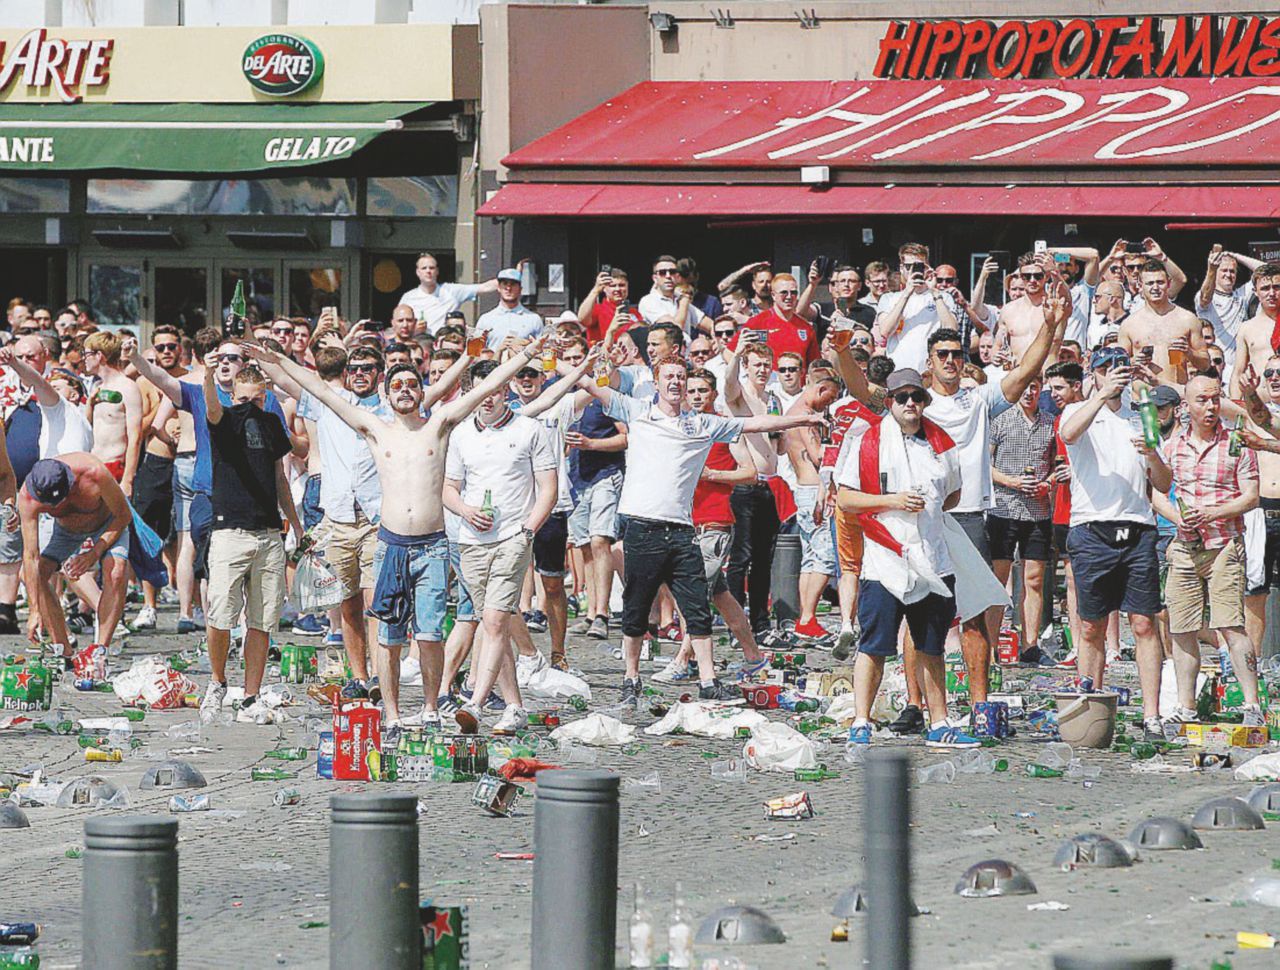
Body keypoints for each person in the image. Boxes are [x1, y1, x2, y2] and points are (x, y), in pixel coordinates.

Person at [244, 336, 548, 737]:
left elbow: (487, 387)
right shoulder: (374, 428)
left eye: (412, 385)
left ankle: (430, 708)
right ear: (386, 397)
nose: (405, 391)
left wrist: (526, 356)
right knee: (387, 635)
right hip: (391, 544)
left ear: (423, 393)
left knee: (429, 633)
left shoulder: (439, 425)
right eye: (397, 386)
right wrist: (279, 359)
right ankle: (391, 713)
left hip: (432, 545)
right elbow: (320, 390)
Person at [576, 354, 825, 707]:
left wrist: (804, 417)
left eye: (680, 376)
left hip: (682, 529)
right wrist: (560, 363)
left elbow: (754, 424)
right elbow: (589, 385)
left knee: (697, 608)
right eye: (670, 377)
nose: (676, 383)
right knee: (636, 608)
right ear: (657, 381)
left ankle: (708, 681)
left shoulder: (702, 424)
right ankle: (630, 679)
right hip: (642, 527)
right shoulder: (637, 411)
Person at [837, 368, 978, 749]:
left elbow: (952, 494)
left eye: (916, 397)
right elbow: (846, 499)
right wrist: (892, 502)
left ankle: (940, 722)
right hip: (884, 560)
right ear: (890, 402)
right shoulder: (869, 441)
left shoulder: (940, 443)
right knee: (874, 645)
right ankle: (862, 720)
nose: (910, 404)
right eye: (902, 398)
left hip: (931, 559)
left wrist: (924, 518)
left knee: (931, 646)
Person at [1059, 346, 1172, 740]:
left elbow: (1162, 482)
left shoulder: (1142, 415)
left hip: (1137, 527)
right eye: (1106, 369)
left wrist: (1152, 453)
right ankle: (1089, 708)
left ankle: (1153, 714)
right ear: (1094, 373)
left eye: (1120, 368)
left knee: (1143, 622)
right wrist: (1100, 394)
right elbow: (1068, 434)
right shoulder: (1079, 410)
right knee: (1091, 625)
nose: (1115, 375)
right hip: (1093, 528)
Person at [444, 359, 562, 733]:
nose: (488, 399)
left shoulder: (530, 430)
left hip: (514, 536)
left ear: (506, 389)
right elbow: (448, 489)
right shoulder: (462, 434)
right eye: (481, 392)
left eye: (495, 390)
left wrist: (528, 530)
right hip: (472, 541)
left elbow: (549, 489)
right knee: (494, 626)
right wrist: (466, 511)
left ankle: (476, 703)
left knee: (495, 621)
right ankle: (514, 705)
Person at [272, 345, 387, 699]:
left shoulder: (389, 410)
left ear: (379, 373)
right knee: (348, 601)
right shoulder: (329, 400)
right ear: (346, 373)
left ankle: (383, 679)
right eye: (354, 368)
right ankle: (358, 676)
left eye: (368, 368)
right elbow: (286, 377)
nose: (360, 374)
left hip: (376, 516)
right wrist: (261, 350)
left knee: (375, 603)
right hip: (338, 515)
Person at [193, 361, 304, 724]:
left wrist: (297, 527)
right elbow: (211, 408)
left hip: (268, 532)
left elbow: (280, 478)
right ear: (232, 395)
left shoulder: (271, 423)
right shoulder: (225, 418)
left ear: (265, 397)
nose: (248, 406)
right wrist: (208, 379)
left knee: (262, 620)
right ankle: (218, 681)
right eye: (243, 398)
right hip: (229, 530)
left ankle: (251, 695)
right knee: (220, 614)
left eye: (256, 400)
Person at [1155, 374, 1263, 726]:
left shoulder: (1236, 443)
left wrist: (1214, 513)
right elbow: (1154, 491)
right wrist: (1176, 517)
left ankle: (1251, 704)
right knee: (1181, 627)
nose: (1211, 407)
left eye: (1215, 399)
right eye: (1202, 400)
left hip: (1224, 544)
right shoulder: (1172, 445)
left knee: (1231, 624)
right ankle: (1186, 706)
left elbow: (1250, 496)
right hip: (1185, 545)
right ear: (1186, 407)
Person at [653, 368, 769, 683]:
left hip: (714, 524)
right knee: (721, 596)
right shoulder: (680, 427)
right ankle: (753, 656)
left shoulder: (722, 428)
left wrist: (712, 475)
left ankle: (683, 660)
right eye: (691, 391)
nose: (696, 396)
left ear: (713, 394)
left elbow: (751, 473)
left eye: (703, 391)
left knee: (693, 595)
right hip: (687, 523)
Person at [0, 340, 93, 636]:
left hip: (64, 495)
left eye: (60, 384)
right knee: (41, 564)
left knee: (65, 566)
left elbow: (39, 382)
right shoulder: (35, 408)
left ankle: (104, 621)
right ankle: (51, 631)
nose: (51, 387)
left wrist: (14, 362)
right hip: (36, 492)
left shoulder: (60, 407)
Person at [18, 455, 128, 663]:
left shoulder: (94, 472)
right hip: (66, 531)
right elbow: (30, 556)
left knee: (116, 571)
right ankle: (63, 649)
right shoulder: (28, 496)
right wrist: (34, 610)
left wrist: (94, 553)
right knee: (38, 573)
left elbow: (123, 515)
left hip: (108, 524)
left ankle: (99, 653)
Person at [988, 376, 1056, 658]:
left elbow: (1057, 464)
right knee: (998, 578)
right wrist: (1011, 482)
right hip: (1003, 507)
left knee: (1034, 578)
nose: (1029, 392)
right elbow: (984, 465)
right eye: (1025, 386)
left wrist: (1048, 483)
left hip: (1038, 510)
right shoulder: (1000, 419)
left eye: (1035, 386)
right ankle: (991, 645)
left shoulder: (1051, 423)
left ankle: (1030, 644)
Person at [129, 325, 187, 631]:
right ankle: (149, 604)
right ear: (153, 350)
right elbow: (137, 429)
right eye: (161, 347)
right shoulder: (144, 383)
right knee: (148, 533)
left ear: (180, 349)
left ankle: (189, 605)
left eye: (171, 346)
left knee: (187, 534)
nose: (166, 351)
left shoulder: (191, 376)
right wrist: (162, 411)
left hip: (190, 462)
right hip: (156, 464)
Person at [782, 370, 842, 639]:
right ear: (820, 390)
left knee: (811, 557)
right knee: (825, 556)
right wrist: (836, 438)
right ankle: (807, 617)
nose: (831, 404)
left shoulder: (796, 411)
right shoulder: (804, 415)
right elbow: (818, 455)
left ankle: (806, 618)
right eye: (831, 398)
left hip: (803, 490)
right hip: (813, 491)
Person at [1119, 259, 1208, 386]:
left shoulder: (1187, 319)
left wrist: (1189, 352)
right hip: (1144, 398)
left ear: (1169, 283)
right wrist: (1132, 362)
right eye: (1150, 283)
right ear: (1140, 285)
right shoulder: (1129, 324)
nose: (1155, 288)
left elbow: (1205, 365)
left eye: (1160, 282)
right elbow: (1118, 367)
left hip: (1176, 395)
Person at [875, 243, 959, 371]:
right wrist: (907, 293)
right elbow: (885, 331)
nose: (913, 271)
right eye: (909, 267)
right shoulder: (889, 298)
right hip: (900, 369)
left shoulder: (944, 297)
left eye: (919, 266)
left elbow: (951, 330)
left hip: (932, 370)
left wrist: (934, 290)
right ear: (901, 268)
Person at [83, 332, 142, 493]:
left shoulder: (128, 387)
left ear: (99, 355)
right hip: (93, 465)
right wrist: (90, 404)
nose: (84, 358)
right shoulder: (97, 388)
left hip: (114, 467)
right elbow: (86, 427)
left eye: (86, 354)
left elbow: (135, 436)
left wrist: (128, 480)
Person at [397, 252, 502, 335]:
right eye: (424, 268)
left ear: (437, 271)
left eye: (432, 268)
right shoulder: (408, 298)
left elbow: (484, 287)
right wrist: (415, 330)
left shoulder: (451, 291)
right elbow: (398, 326)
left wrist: (513, 277)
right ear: (418, 272)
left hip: (445, 345)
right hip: (420, 346)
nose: (428, 271)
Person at [1194, 245, 1260, 363]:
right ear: (1216, 272)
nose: (1228, 275)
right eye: (1224, 270)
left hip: (1235, 367)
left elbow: (1267, 270)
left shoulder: (1242, 294)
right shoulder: (1206, 295)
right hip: (1212, 364)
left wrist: (1236, 256)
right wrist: (1212, 269)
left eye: (1232, 271)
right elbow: (1204, 298)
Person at [738, 274, 819, 367]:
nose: (789, 297)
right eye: (784, 292)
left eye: (793, 293)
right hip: (768, 380)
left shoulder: (806, 328)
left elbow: (814, 365)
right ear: (773, 295)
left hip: (798, 381)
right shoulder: (757, 322)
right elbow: (730, 352)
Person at [1230, 263, 1280, 403]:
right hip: (1260, 406)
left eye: (1277, 287)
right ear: (1255, 292)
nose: (1271, 293)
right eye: (1265, 288)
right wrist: (1236, 406)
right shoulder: (1247, 328)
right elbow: (1238, 372)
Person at [476, 269, 542, 351]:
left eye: (513, 284)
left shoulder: (534, 319)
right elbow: (476, 352)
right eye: (505, 284)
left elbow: (541, 350)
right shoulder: (485, 319)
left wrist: (526, 344)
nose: (508, 288)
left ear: (520, 289)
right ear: (499, 288)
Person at [639, 255, 704, 336]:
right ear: (655, 278)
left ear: (677, 276)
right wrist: (684, 301)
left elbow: (708, 324)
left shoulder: (679, 299)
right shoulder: (648, 301)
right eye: (662, 272)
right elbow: (675, 329)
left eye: (672, 272)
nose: (668, 276)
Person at [577, 268, 642, 345]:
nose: (617, 289)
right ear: (604, 288)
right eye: (613, 286)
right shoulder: (598, 309)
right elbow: (582, 319)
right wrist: (595, 290)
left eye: (622, 285)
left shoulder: (634, 312)